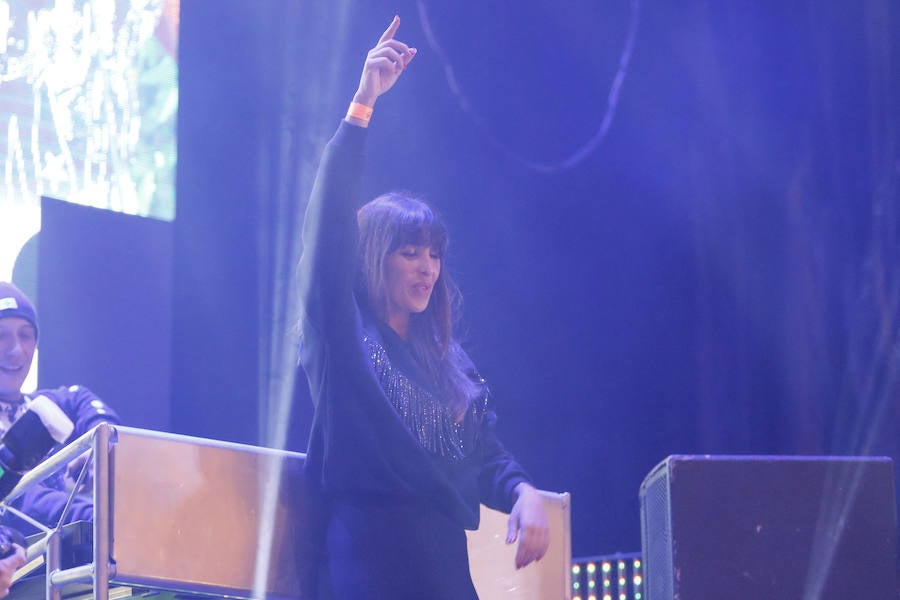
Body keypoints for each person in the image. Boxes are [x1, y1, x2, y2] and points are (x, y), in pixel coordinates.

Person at [298, 16, 550, 599]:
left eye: (433, 255)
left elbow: (485, 454)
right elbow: (326, 233)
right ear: (373, 260)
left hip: (443, 570)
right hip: (364, 564)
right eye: (409, 253)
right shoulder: (342, 333)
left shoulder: (445, 361)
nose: (426, 268)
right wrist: (363, 104)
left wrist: (524, 493)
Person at [0, 281, 120, 536]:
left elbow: (85, 403)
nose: (16, 350)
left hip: (72, 569)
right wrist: (103, 519)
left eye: (25, 335)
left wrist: (101, 452)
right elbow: (20, 499)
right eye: (1, 335)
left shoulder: (52, 403)